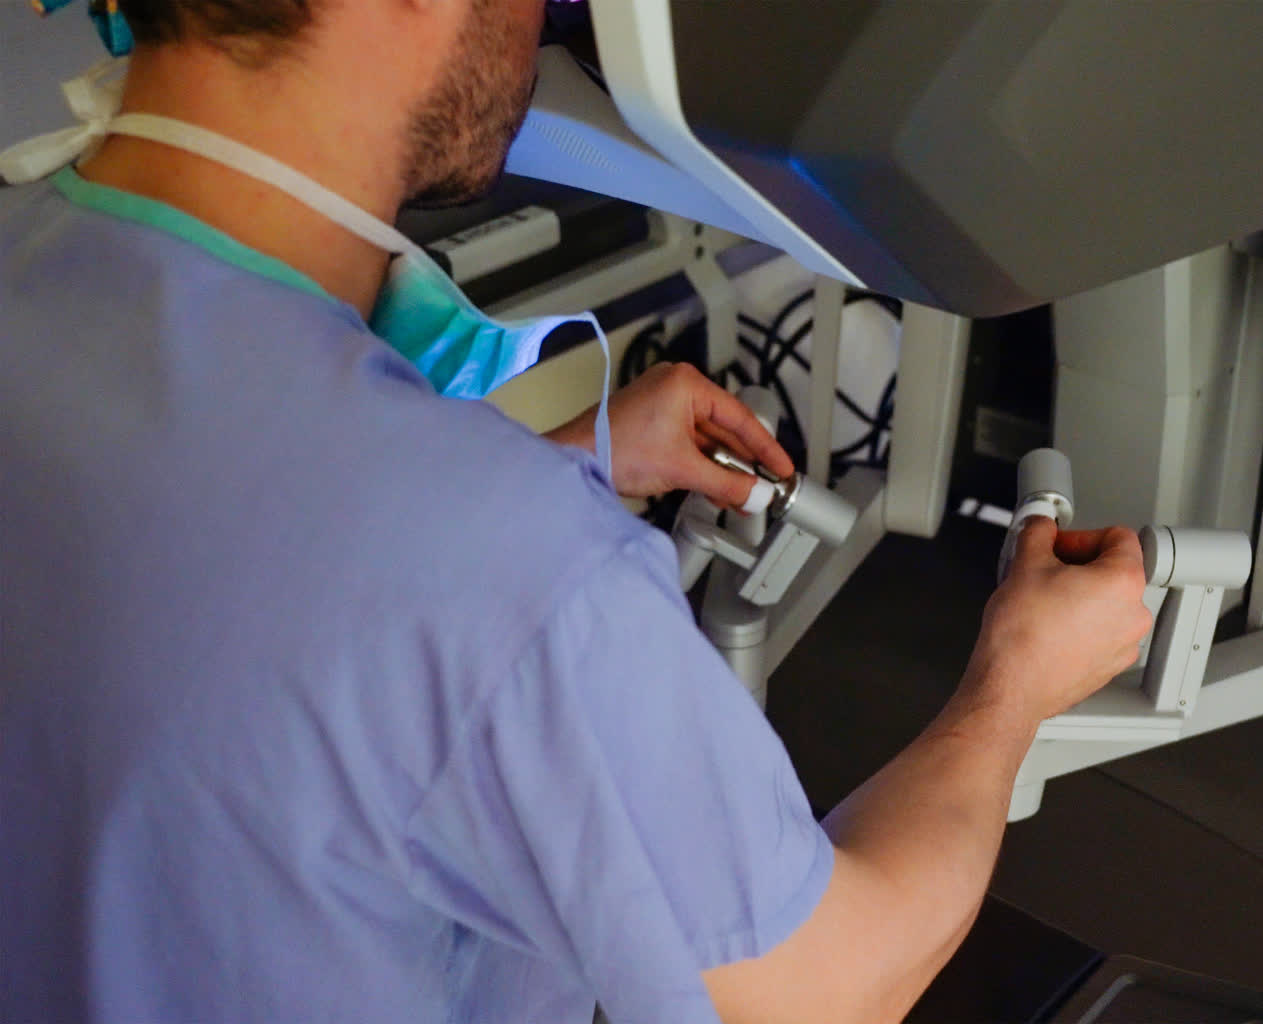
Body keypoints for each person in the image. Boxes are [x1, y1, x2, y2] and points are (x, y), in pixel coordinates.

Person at [0, 0, 1153, 1021]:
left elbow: (225, 564)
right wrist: (1014, 683)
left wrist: (554, 462)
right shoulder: (506, 566)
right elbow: (829, 992)